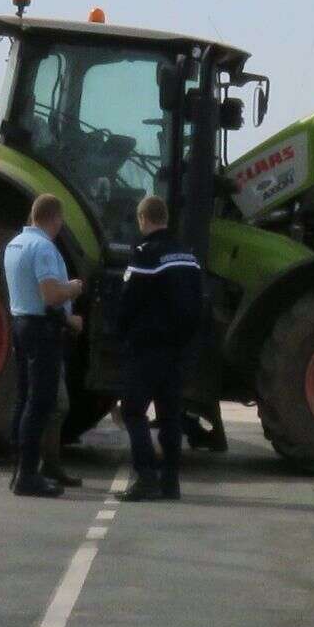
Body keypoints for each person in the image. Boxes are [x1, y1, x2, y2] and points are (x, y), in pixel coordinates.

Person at [115, 193, 206, 501]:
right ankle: (170, 481)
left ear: (143, 219)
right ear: (166, 217)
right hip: (177, 348)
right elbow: (198, 303)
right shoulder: (187, 255)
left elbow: (129, 302)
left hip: (146, 347)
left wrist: (120, 333)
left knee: (133, 411)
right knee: (170, 415)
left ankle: (145, 477)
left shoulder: (145, 254)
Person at [4, 195, 87, 498]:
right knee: (40, 403)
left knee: (24, 398)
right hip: (41, 331)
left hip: (20, 325)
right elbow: (51, 295)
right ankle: (28, 476)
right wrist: (74, 288)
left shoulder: (15, 245)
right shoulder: (43, 248)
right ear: (55, 218)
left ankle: (19, 469)